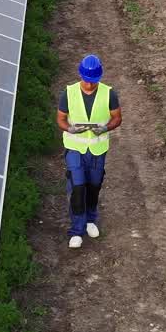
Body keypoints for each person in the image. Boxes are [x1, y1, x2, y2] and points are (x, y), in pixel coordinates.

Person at [56, 54, 123, 249]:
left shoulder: (109, 94)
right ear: (81, 75)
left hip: (97, 149)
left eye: (93, 81)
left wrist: (105, 128)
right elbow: (60, 118)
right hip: (75, 148)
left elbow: (117, 118)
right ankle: (76, 230)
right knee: (77, 188)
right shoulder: (68, 93)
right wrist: (69, 128)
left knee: (94, 186)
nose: (89, 85)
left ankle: (90, 220)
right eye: (87, 80)